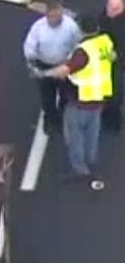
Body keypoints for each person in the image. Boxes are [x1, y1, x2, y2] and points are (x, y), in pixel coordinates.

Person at [40, 16, 115, 187]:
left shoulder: (83, 51)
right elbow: (112, 57)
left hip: (80, 100)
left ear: (81, 30)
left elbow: (65, 71)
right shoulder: (105, 41)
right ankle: (91, 160)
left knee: (75, 137)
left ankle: (79, 169)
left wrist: (45, 73)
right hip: (99, 97)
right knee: (92, 133)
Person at [22, 0, 81, 133]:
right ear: (46, 15)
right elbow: (30, 45)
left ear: (62, 14)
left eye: (57, 16)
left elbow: (77, 45)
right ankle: (50, 120)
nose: (53, 19)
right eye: (51, 16)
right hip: (44, 66)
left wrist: (70, 63)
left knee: (66, 95)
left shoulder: (71, 27)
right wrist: (31, 62)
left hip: (64, 66)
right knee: (47, 97)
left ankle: (63, 118)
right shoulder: (38, 27)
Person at [99, 0, 125, 131]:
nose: (110, 11)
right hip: (103, 59)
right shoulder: (104, 16)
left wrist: (118, 56)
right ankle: (105, 111)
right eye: (109, 6)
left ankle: (114, 122)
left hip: (119, 64)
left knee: (115, 94)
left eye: (115, 9)